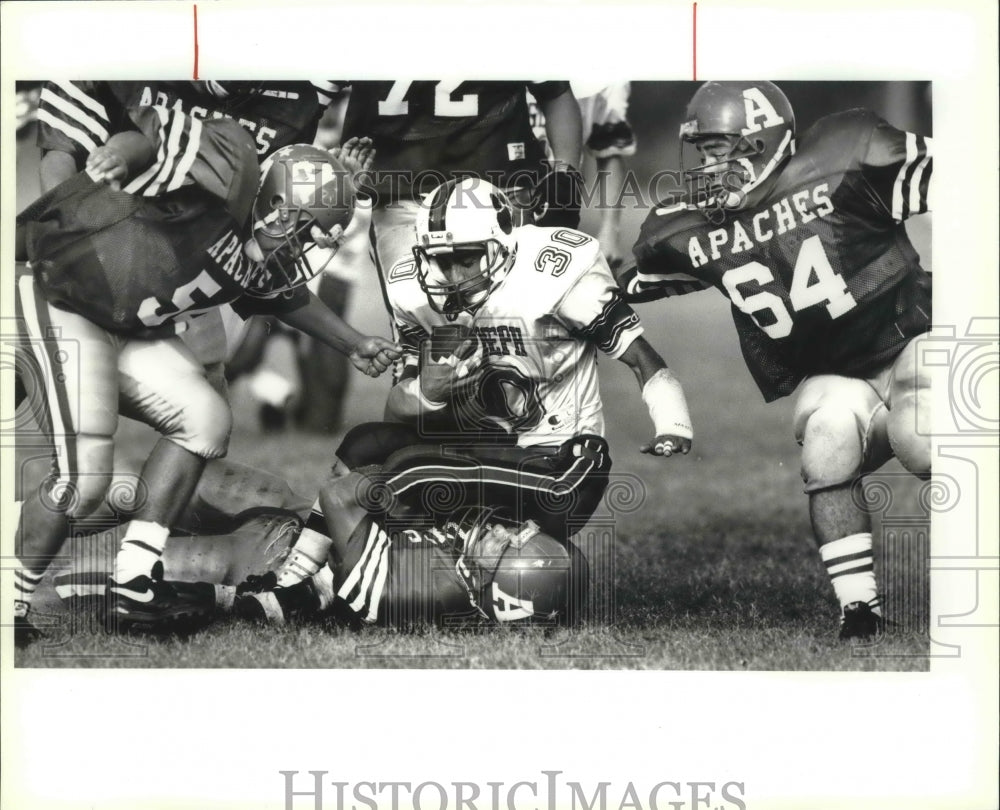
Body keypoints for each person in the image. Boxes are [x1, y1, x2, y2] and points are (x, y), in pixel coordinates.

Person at [13, 104, 400, 643]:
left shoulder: (256, 243)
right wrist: (121, 154)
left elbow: (285, 297)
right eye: (305, 234)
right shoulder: (213, 195)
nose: (304, 251)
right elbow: (154, 136)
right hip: (52, 294)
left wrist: (356, 341)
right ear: (281, 213)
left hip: (119, 326)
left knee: (205, 416)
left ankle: (133, 576)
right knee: (87, 471)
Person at [235, 176, 694, 623]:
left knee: (409, 473)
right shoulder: (416, 289)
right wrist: (429, 393)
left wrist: (673, 423)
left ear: (501, 244)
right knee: (365, 444)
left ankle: (350, 585)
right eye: (440, 260)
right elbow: (398, 411)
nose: (450, 275)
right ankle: (298, 579)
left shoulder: (554, 273)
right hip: (491, 451)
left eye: (466, 259)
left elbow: (642, 358)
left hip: (559, 468)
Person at [617, 81, 933, 640]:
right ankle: (859, 612)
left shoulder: (846, 156)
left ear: (760, 143)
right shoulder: (689, 230)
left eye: (720, 151)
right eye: (704, 153)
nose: (707, 168)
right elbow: (618, 287)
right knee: (827, 435)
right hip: (841, 372)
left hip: (915, 337)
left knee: (921, 430)